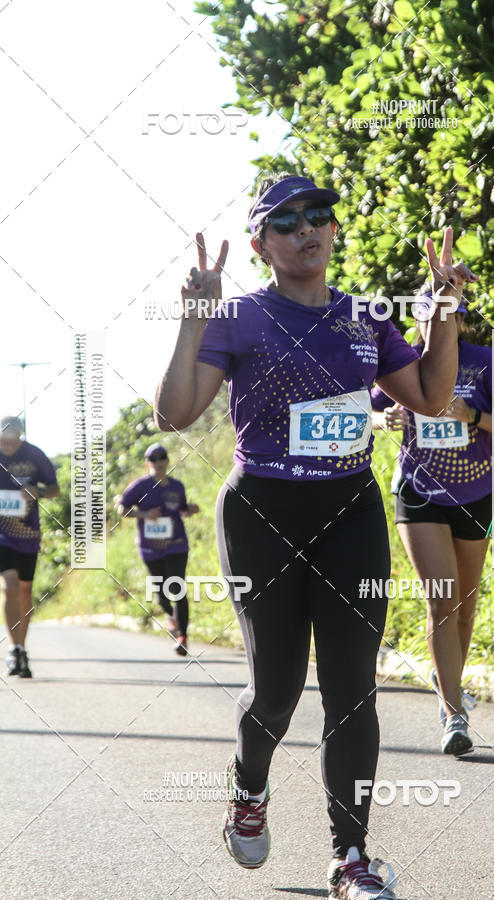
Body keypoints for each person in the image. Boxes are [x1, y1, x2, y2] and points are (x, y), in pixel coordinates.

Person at [154, 172, 477, 899]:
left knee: (352, 688)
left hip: (349, 510)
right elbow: (173, 415)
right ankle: (249, 785)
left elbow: (430, 397)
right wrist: (193, 319)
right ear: (262, 244)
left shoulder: (364, 317)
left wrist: (443, 314)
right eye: (286, 220)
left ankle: (350, 857)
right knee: (275, 691)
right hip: (263, 512)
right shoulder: (238, 317)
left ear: (333, 229)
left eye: (319, 214)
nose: (307, 227)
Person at [372, 288, 492, 756]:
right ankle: (454, 714)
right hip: (419, 493)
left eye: (445, 316)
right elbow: (364, 406)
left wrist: (472, 414)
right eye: (426, 316)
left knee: (464, 609)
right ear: (416, 321)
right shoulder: (401, 360)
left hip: (475, 493)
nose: (435, 324)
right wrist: (384, 419)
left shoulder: (488, 361)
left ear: (460, 320)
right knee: (442, 600)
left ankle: (449, 690)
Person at [117, 443, 199, 656]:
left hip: (176, 544)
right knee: (162, 595)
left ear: (168, 462)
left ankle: (182, 637)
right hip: (150, 548)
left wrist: (190, 509)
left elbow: (182, 509)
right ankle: (171, 617)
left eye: (162, 458)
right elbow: (122, 509)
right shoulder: (139, 486)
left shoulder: (177, 486)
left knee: (177, 587)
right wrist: (144, 515)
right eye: (153, 459)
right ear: (148, 464)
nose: (158, 462)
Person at [1, 415, 60, 678]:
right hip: (1, 535)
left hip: (28, 534)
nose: (7, 445)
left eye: (12, 441)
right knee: (9, 586)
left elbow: (55, 489)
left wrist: (38, 492)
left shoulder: (35, 455)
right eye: (3, 440)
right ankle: (13, 648)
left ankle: (22, 649)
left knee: (25, 591)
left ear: (20, 437)